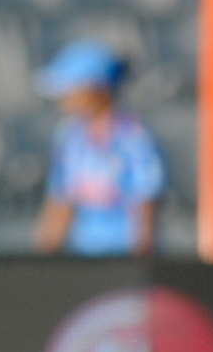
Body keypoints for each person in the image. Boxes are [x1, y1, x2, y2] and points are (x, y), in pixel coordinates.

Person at [33, 40, 166, 257]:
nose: (62, 96)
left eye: (70, 87)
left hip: (124, 260)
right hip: (83, 260)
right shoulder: (69, 137)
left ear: (99, 88)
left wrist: (139, 262)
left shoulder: (134, 138)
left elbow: (144, 205)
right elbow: (60, 201)